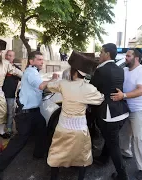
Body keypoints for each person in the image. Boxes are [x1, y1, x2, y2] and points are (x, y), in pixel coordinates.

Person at [0, 51, 59, 180]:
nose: (42, 62)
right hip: (26, 115)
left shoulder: (34, 72)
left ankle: (38, 155)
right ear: (31, 61)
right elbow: (41, 86)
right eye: (39, 59)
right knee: (18, 143)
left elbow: (40, 84)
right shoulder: (30, 72)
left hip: (34, 112)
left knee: (42, 129)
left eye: (43, 59)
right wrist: (53, 79)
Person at [47, 51, 104, 180]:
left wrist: (53, 80)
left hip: (63, 128)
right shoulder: (89, 88)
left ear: (73, 72)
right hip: (80, 130)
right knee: (82, 157)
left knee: (56, 155)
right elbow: (100, 99)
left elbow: (49, 86)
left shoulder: (63, 84)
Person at [111, 48, 142, 180]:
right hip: (127, 108)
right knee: (125, 133)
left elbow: (140, 91)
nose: (126, 58)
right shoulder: (124, 70)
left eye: (128, 56)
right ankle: (126, 152)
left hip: (141, 109)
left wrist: (123, 95)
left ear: (136, 58)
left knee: (139, 137)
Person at [90, 43, 130, 180]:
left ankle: (123, 175)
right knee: (110, 138)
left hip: (109, 114)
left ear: (107, 54)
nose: (99, 55)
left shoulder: (101, 71)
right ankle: (103, 158)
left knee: (114, 145)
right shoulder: (120, 70)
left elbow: (92, 89)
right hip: (121, 111)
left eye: (101, 52)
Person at [0, 38, 23, 139]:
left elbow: (15, 71)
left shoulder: (5, 63)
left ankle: (1, 131)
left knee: (3, 112)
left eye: (0, 51)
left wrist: (26, 76)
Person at [2, 50, 21, 135]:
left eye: (10, 55)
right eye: (7, 55)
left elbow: (23, 79)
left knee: (10, 113)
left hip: (11, 95)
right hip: (0, 94)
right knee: (1, 113)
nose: (8, 57)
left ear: (13, 57)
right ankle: (0, 129)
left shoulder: (17, 69)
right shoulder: (1, 67)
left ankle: (9, 128)